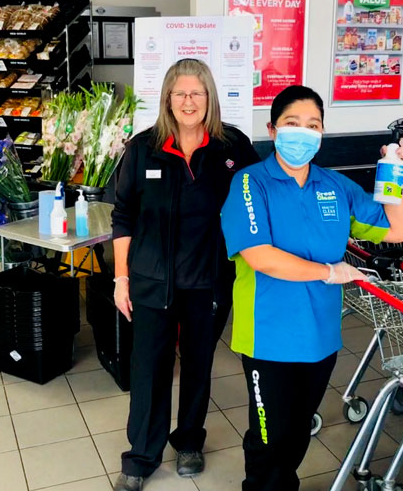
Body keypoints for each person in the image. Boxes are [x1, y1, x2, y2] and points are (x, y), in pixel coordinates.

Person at [220, 85, 403, 491]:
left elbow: (396, 228)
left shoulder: (335, 186)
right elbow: (260, 256)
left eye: (313, 125)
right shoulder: (250, 183)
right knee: (268, 440)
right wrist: (328, 272)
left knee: (294, 436)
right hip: (267, 337)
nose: (302, 132)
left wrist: (394, 171)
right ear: (272, 130)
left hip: (320, 338)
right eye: (292, 123)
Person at [111, 59, 259, 491]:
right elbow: (124, 216)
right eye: (181, 94)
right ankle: (141, 456)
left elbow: (260, 195)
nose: (189, 102)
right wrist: (121, 280)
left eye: (197, 93)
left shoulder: (232, 148)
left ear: (210, 97)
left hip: (210, 281)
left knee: (198, 363)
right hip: (151, 282)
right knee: (149, 369)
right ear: (168, 100)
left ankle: (190, 440)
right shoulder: (143, 149)